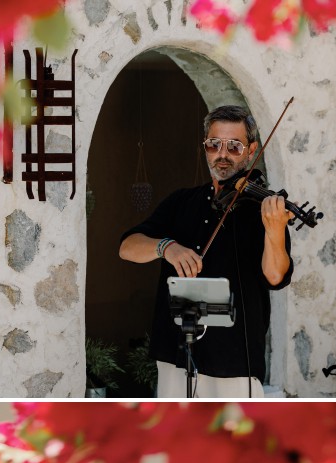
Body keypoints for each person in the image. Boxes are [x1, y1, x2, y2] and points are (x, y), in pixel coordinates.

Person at [119, 104, 292, 398]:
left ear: (251, 151)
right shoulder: (181, 202)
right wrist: (166, 247)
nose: (222, 154)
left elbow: (275, 276)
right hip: (176, 353)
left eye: (234, 146)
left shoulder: (261, 210)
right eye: (214, 144)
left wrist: (274, 229)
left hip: (234, 358)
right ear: (205, 147)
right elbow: (127, 247)